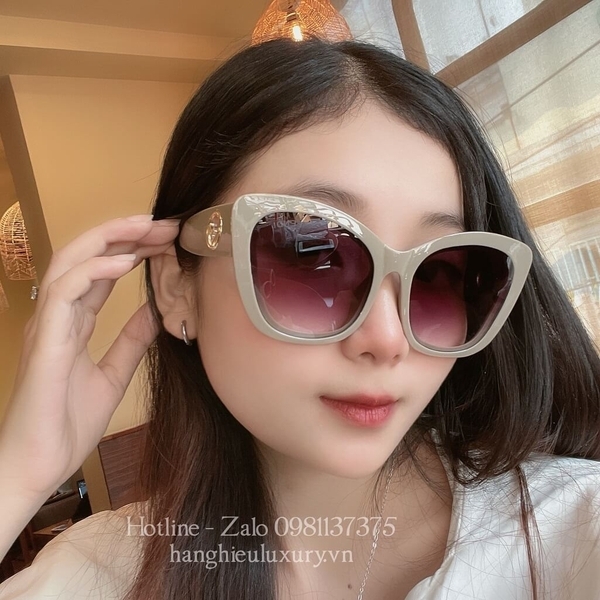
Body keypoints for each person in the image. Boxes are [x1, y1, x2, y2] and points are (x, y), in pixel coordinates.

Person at [0, 37, 599, 600]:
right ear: (177, 286)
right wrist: (21, 473)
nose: (388, 339)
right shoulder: (103, 573)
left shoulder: (572, 530)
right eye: (314, 258)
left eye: (440, 274)